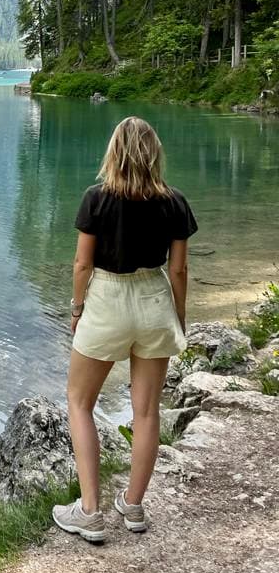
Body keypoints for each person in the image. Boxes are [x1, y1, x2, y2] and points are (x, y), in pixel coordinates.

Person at [52, 116, 197, 543]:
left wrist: (77, 309)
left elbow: (81, 264)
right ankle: (133, 507)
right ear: (154, 154)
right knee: (147, 410)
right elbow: (180, 269)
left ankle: (90, 511)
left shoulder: (96, 199)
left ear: (114, 151)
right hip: (154, 298)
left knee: (79, 401)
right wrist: (180, 316)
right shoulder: (175, 202)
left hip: (108, 299)